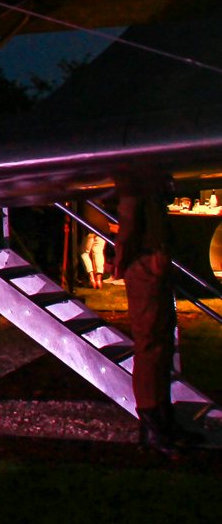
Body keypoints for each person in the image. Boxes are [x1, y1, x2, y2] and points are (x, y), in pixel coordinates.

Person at [115, 167, 188, 455]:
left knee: (161, 342)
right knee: (150, 345)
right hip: (146, 263)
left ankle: (160, 419)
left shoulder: (144, 179)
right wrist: (137, 263)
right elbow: (129, 218)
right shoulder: (135, 177)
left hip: (151, 261)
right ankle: (154, 424)